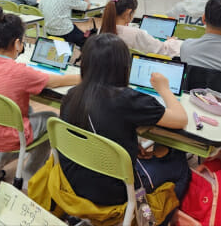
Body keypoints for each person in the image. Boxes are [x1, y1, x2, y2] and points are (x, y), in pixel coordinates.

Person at [59, 33, 189, 208]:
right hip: (116, 192)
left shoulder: (72, 95)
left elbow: (102, 131)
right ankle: (148, 218)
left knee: (156, 155)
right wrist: (164, 88)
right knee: (180, 165)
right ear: (123, 65)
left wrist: (132, 147)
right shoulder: (129, 100)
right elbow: (181, 119)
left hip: (73, 181)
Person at [0, 7, 81, 184]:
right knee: (51, 119)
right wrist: (82, 76)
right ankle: (31, 172)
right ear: (17, 44)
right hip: (4, 135)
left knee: (25, 110)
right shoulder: (21, 73)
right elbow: (54, 82)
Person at [101, 0, 182, 57]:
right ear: (128, 12)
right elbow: (163, 50)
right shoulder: (136, 34)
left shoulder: (101, 30)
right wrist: (171, 41)